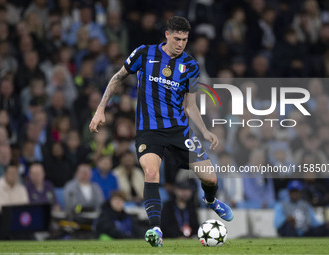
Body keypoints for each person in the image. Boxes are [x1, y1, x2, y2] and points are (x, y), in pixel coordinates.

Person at [89, 16, 233, 247]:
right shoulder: (144, 54)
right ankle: (155, 229)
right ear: (167, 34)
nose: (181, 44)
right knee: (151, 173)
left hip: (179, 131)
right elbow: (117, 78)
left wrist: (205, 132)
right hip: (149, 130)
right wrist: (100, 109)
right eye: (177, 39)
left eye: (185, 40)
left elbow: (190, 106)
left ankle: (211, 200)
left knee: (210, 177)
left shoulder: (191, 66)